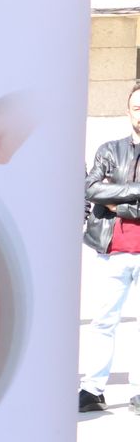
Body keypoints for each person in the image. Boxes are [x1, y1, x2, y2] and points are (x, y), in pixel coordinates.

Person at [81, 81, 140, 413]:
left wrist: (118, 198)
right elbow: (92, 190)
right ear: (128, 110)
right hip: (112, 248)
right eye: (137, 107)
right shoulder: (108, 149)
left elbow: (106, 195)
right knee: (103, 320)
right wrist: (135, 191)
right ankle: (92, 388)